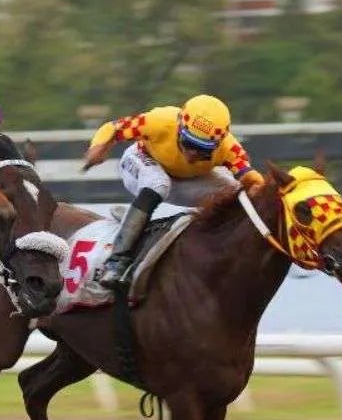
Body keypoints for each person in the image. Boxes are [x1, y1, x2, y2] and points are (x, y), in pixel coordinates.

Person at [82, 94, 265, 288]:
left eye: (203, 150)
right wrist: (98, 146)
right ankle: (116, 261)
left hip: (185, 181)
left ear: (219, 143)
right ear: (179, 126)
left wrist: (268, 191)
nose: (192, 154)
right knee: (159, 184)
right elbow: (112, 128)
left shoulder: (229, 148)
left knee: (237, 192)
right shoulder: (160, 121)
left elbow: (250, 178)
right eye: (188, 143)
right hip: (140, 163)